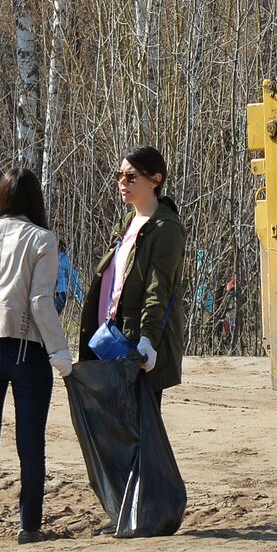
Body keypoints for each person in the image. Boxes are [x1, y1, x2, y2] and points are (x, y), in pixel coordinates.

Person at [0, 168, 73, 549]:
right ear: (35, 201)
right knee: (30, 444)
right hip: (28, 349)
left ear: (0, 198)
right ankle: (29, 527)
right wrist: (60, 351)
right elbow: (41, 301)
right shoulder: (43, 239)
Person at [78, 147, 187, 410]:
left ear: (155, 180)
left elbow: (157, 288)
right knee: (113, 426)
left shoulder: (166, 228)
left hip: (136, 343)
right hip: (111, 336)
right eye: (119, 175)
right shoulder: (128, 221)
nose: (122, 182)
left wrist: (148, 338)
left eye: (131, 176)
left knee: (139, 429)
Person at [54, 239, 84, 316]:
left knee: (52, 316)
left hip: (60, 293)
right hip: (45, 292)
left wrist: (80, 297)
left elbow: (73, 278)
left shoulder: (64, 260)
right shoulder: (44, 258)